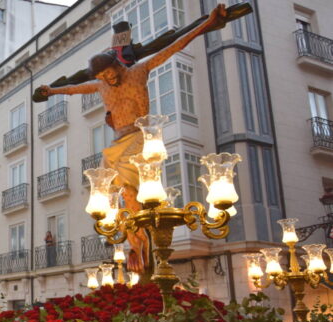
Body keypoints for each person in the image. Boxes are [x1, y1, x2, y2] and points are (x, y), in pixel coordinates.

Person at [34, 4, 230, 273]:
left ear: (117, 64)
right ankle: (133, 242)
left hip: (140, 137)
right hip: (117, 144)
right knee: (113, 195)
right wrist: (52, 91)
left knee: (130, 191)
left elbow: (173, 45)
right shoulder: (101, 85)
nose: (108, 79)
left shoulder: (139, 70)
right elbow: (74, 89)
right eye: (102, 76)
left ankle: (138, 247)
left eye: (109, 72)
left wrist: (208, 24)